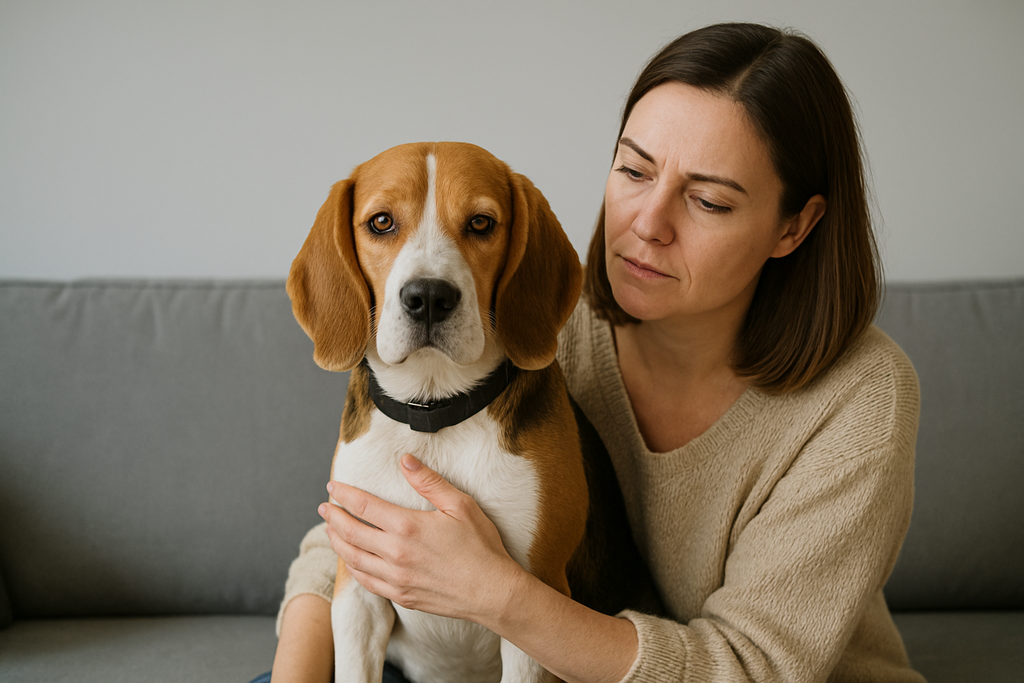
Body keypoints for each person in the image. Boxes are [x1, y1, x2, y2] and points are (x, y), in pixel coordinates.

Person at [266, 22, 925, 683]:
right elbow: (364, 532)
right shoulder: (539, 324)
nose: (647, 223)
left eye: (708, 200)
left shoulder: (860, 398)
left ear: (793, 226)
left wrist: (495, 590)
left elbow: (752, 669)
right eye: (634, 170)